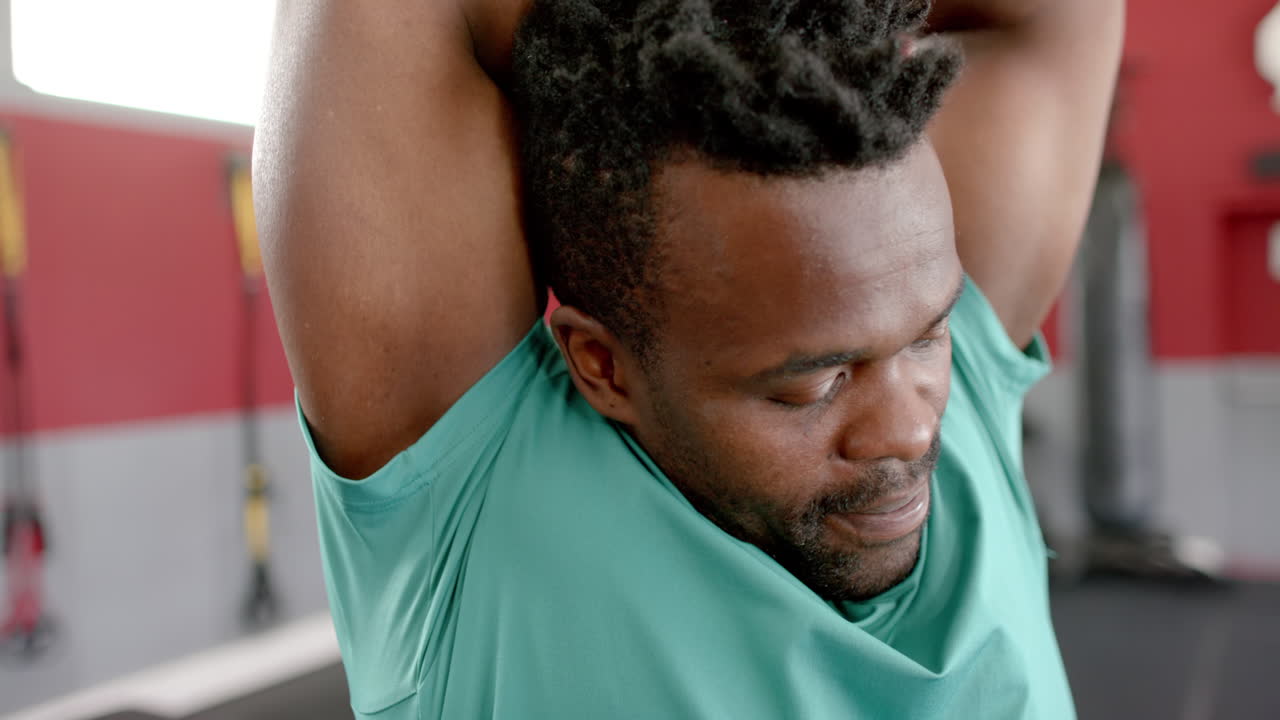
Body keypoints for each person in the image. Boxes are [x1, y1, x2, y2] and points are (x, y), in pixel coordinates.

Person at [254, 0, 1122, 717]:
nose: (911, 427)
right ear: (603, 367)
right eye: (815, 383)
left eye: (929, 334)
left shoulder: (945, 369)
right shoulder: (484, 513)